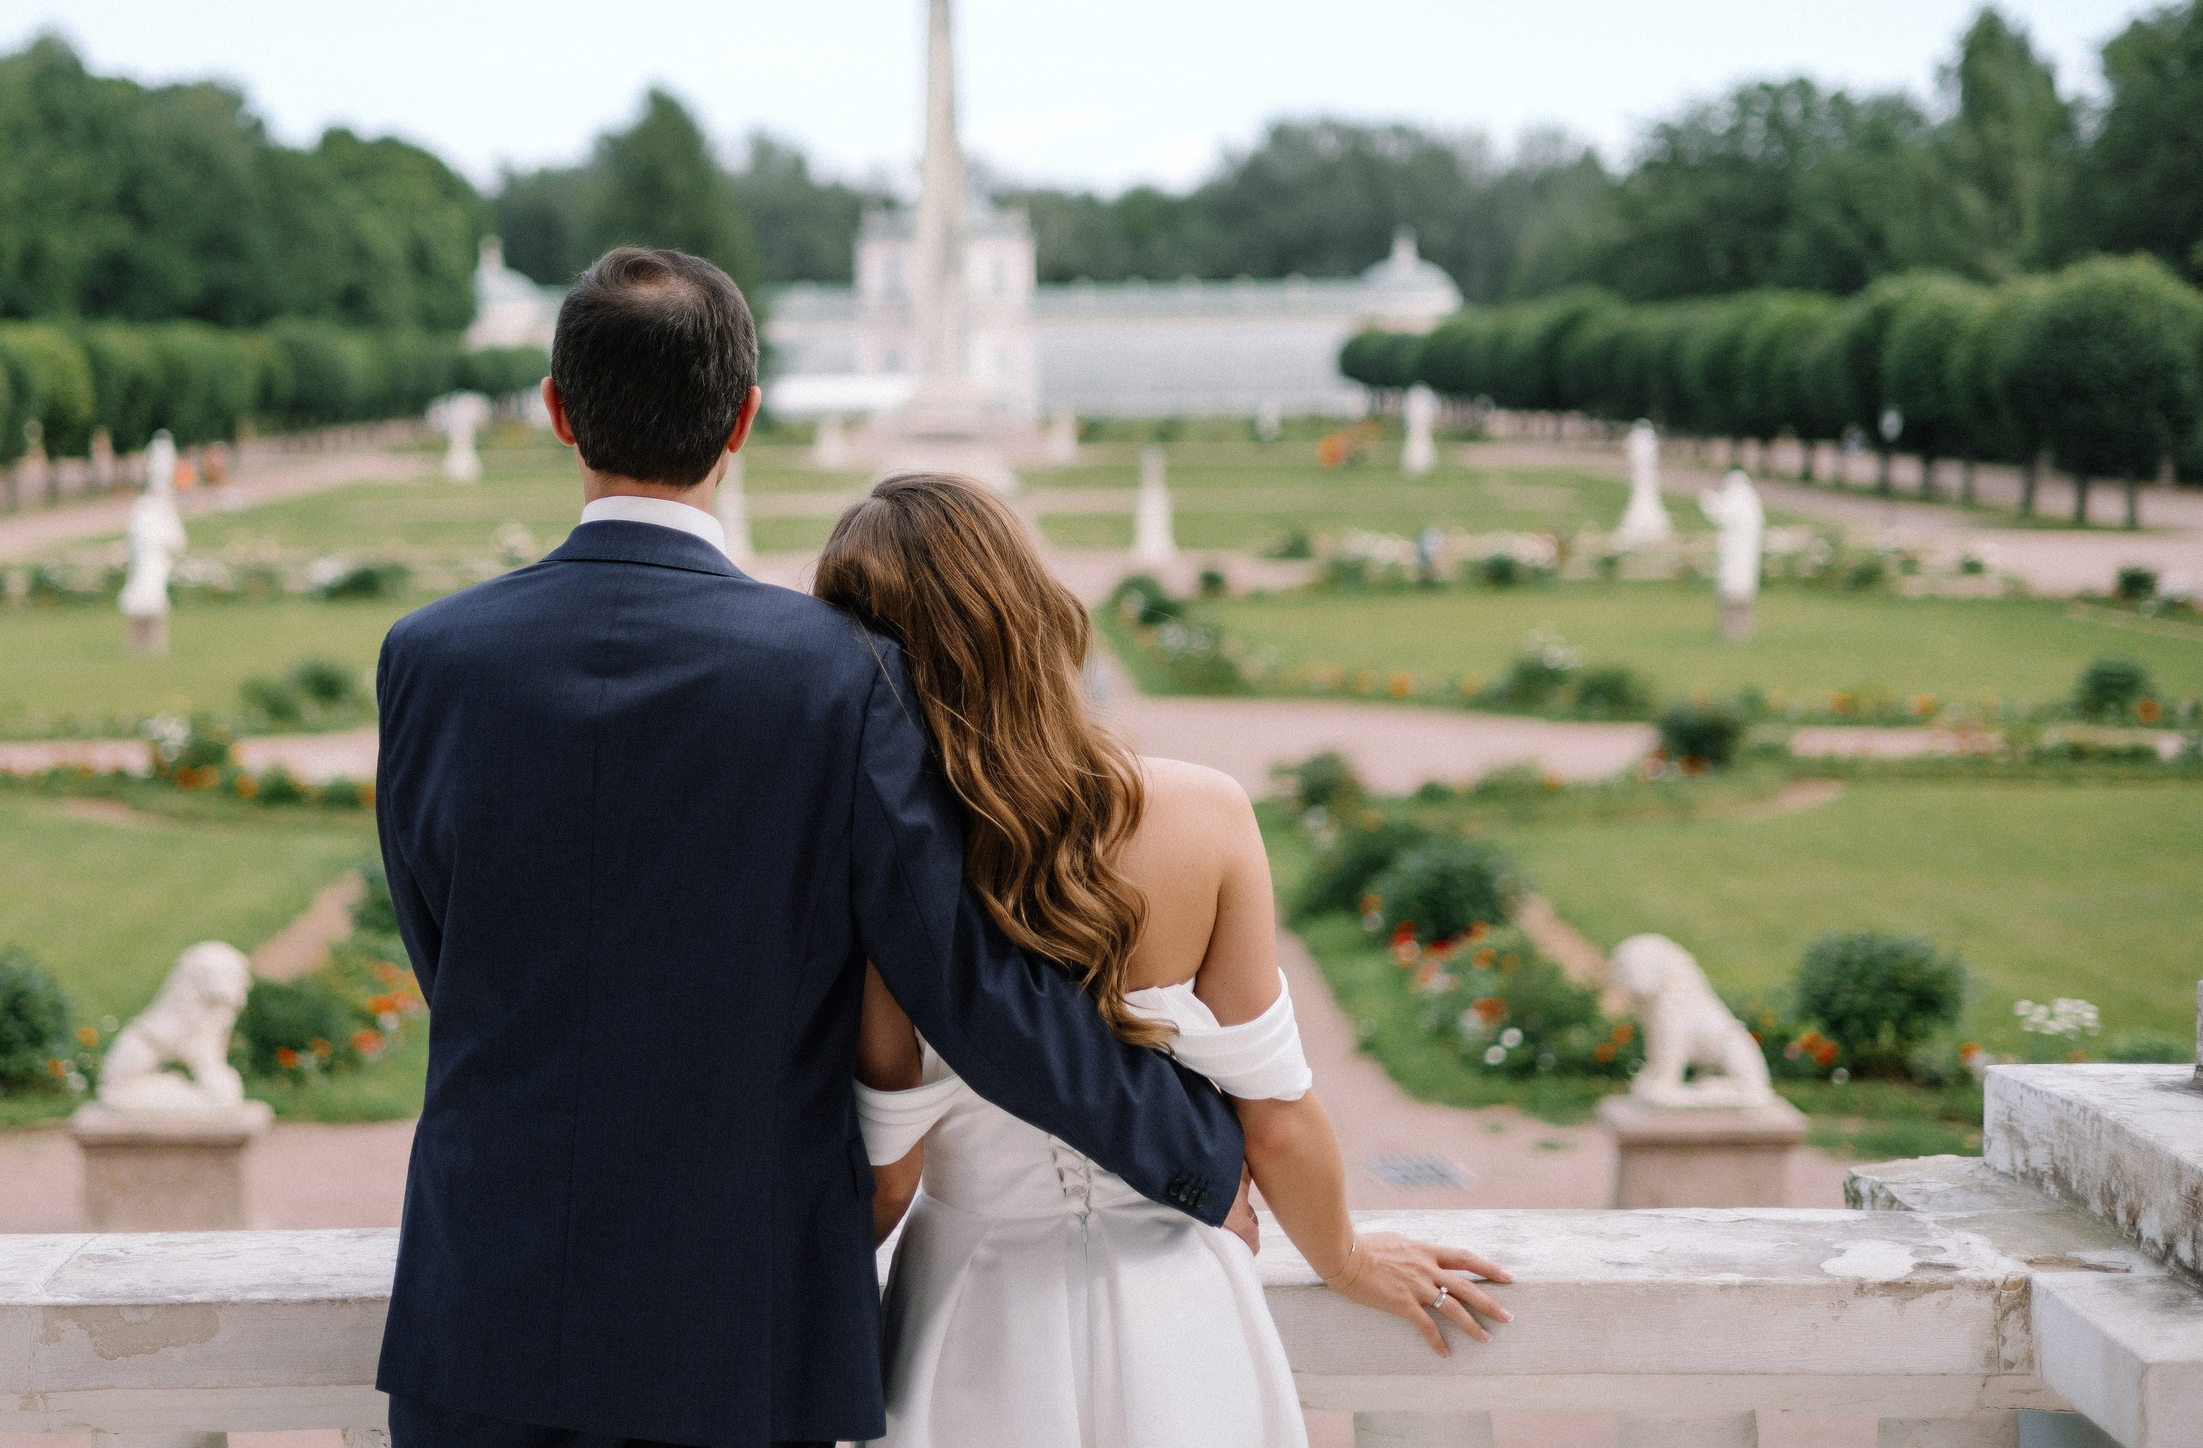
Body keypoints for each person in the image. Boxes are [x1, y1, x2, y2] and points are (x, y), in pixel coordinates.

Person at [370, 247, 1250, 1448]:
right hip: (743, 1309)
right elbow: (967, 982)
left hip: (485, 1291)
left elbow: (447, 950)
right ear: (743, 416)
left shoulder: (430, 657)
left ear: (557, 411)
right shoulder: (833, 672)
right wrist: (1200, 1150)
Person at [819, 473, 1514, 1448]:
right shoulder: (1201, 813)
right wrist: (1346, 1257)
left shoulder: (869, 869)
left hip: (976, 1322)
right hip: (1182, 1309)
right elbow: (1275, 1115)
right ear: (1030, 615)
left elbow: (887, 1175)